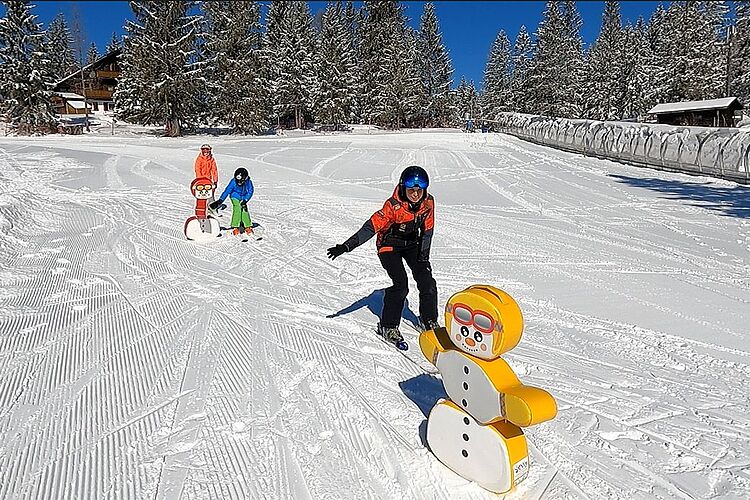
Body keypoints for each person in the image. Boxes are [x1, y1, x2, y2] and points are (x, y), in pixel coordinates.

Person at [326, 165, 439, 345]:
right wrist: (346, 246)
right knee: (401, 285)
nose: (416, 194)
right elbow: (370, 228)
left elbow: (428, 231)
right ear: (403, 187)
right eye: (411, 190)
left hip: (412, 244)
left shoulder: (428, 202)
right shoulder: (392, 206)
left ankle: (428, 320)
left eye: (420, 190)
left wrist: (423, 257)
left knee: (427, 281)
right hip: (389, 246)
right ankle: (388, 326)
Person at [210, 167, 255, 236]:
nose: (239, 183)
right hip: (235, 196)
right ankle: (235, 226)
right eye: (238, 181)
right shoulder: (233, 182)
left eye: (241, 181)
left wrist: (245, 200)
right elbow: (227, 191)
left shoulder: (248, 182)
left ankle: (247, 226)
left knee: (244, 210)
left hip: (244, 197)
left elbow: (250, 191)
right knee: (237, 208)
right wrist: (220, 200)